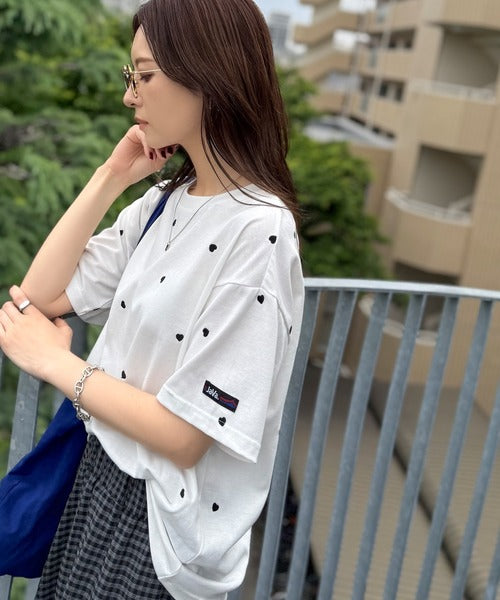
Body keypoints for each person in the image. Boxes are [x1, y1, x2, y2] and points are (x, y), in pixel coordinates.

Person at [0, 0, 304, 598]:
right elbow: (40, 296)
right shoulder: (163, 202)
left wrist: (57, 364)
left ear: (206, 71)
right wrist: (111, 176)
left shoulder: (260, 232)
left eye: (143, 76)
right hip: (96, 480)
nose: (129, 97)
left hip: (159, 523)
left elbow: (186, 436)